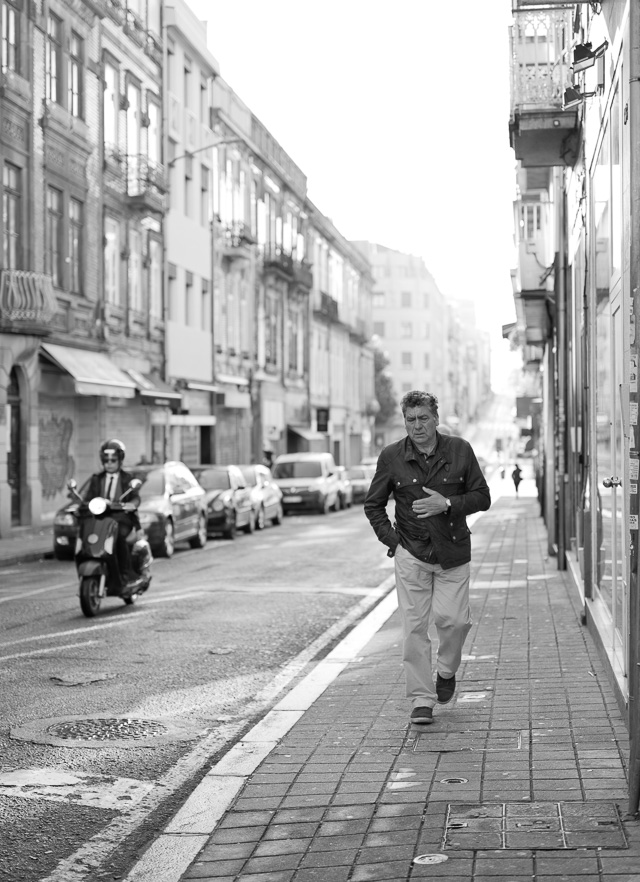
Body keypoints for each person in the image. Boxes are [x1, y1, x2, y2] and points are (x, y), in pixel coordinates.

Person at [364, 390, 491, 726]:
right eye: (410, 419)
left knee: (455, 621)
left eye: (423, 418)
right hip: (412, 554)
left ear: (436, 418)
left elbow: (483, 497)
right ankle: (422, 699)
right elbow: (373, 505)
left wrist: (447, 504)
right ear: (404, 421)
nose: (417, 426)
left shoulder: (460, 449)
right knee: (414, 630)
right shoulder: (392, 456)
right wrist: (394, 542)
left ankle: (446, 671)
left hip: (453, 552)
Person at [83, 439, 142, 587]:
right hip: (100, 518)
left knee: (118, 537)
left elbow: (135, 498)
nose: (109, 463)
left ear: (120, 460)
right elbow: (87, 498)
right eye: (106, 460)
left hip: (121, 518)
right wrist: (81, 505)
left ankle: (126, 573)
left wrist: (132, 504)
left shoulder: (127, 478)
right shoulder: (97, 479)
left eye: (113, 460)